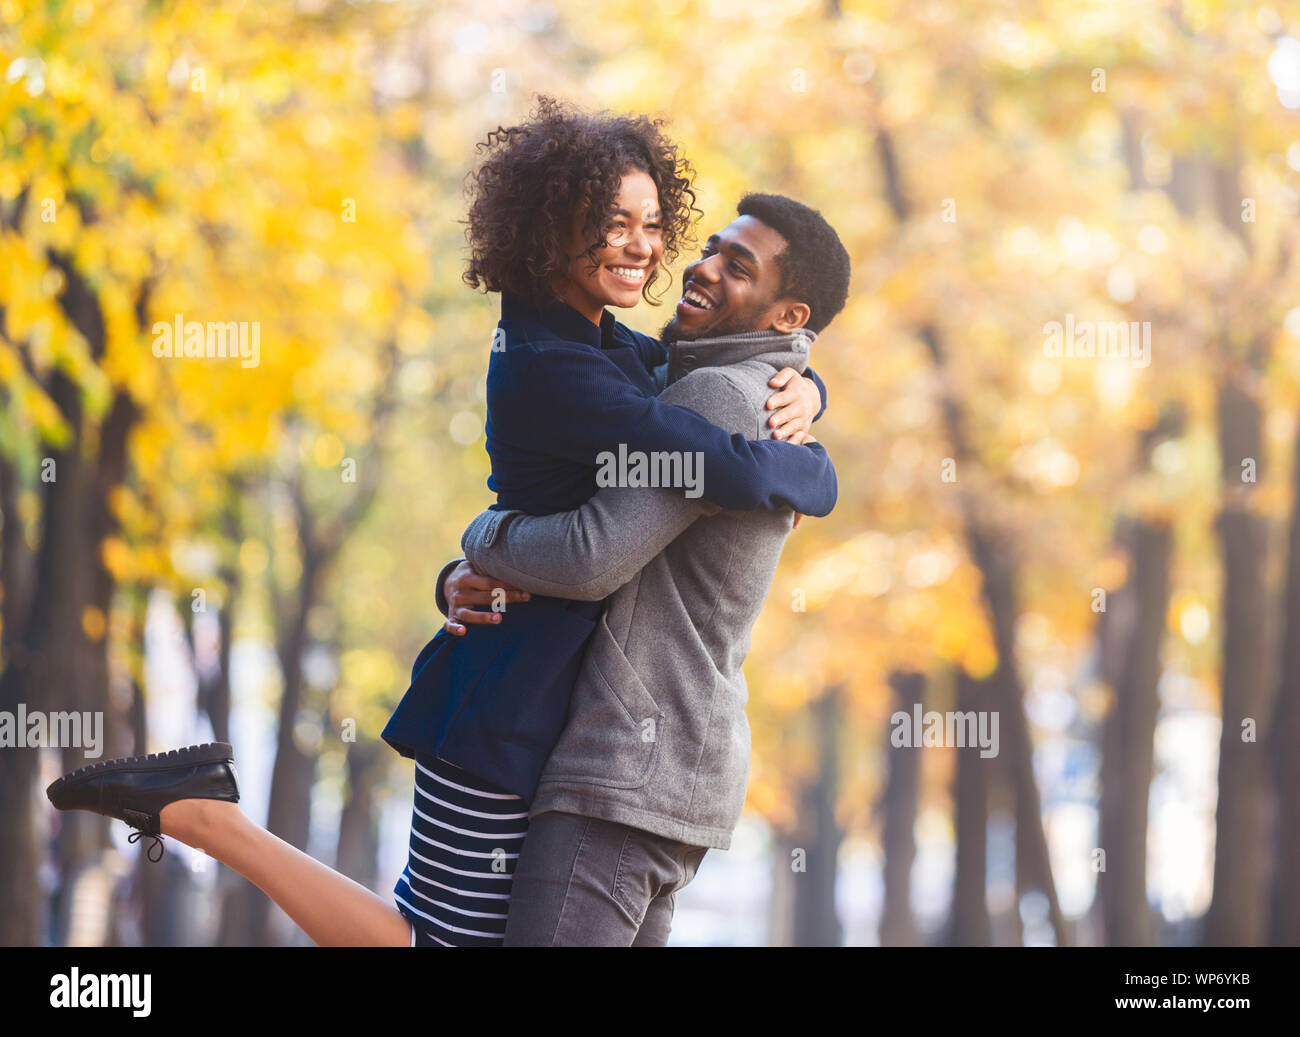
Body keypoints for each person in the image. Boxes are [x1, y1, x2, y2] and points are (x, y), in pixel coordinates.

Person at [45, 99, 836, 948]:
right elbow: (713, 463)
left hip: (537, 700)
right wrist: (811, 471)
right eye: (613, 225)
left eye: (653, 224)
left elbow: (709, 387)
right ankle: (206, 817)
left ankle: (204, 811)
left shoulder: (606, 341)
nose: (648, 248)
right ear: (551, 228)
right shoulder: (557, 366)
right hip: (510, 697)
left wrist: (810, 389)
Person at [444, 193, 853, 945]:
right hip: (667, 768)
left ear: (788, 316)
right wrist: (814, 386)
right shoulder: (724, 382)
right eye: (710, 248)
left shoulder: (714, 395)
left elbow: (590, 556)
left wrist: (480, 537)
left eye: (738, 267)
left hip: (623, 769)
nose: (701, 269)